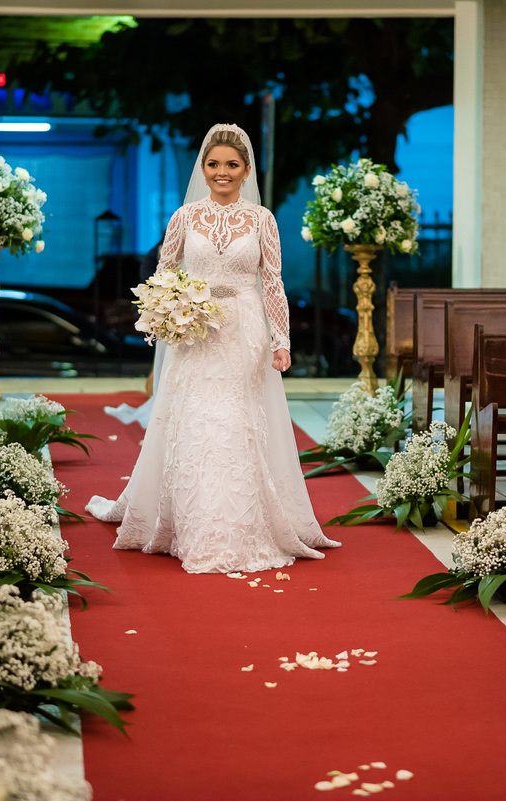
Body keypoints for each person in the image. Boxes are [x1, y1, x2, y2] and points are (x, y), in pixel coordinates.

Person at [86, 123, 340, 574]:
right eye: (213, 164)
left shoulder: (262, 220)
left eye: (232, 165)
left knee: (237, 422)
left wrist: (281, 340)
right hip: (195, 333)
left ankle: (242, 523)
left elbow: (272, 283)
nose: (222, 172)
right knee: (197, 424)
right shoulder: (184, 217)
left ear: (246, 171)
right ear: (203, 169)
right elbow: (162, 275)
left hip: (244, 330)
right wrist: (169, 312)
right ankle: (191, 523)